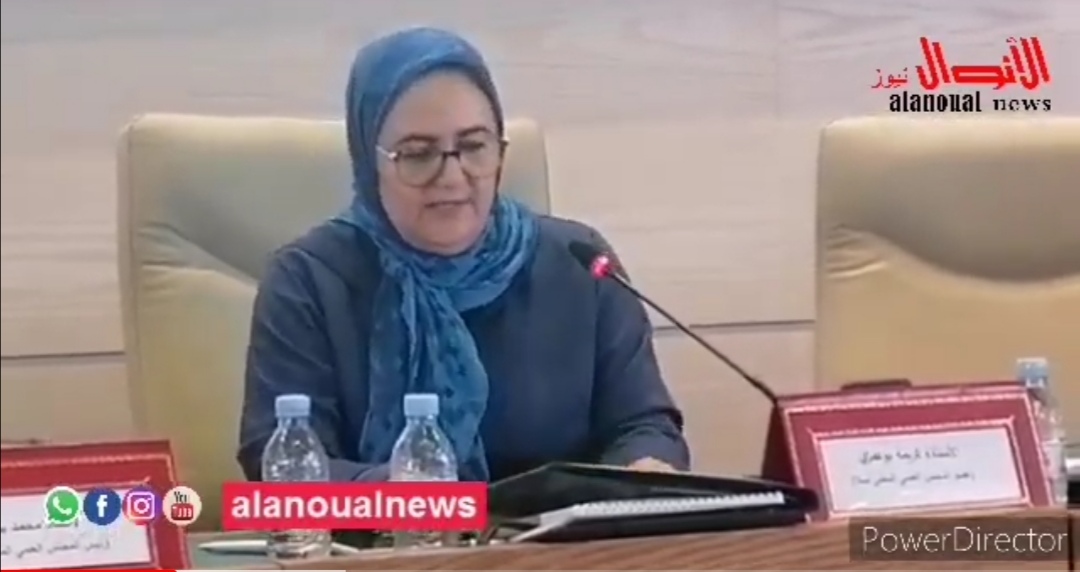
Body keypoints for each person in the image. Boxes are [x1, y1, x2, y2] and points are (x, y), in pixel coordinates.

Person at [238, 27, 690, 483]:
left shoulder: (580, 265)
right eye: (418, 154)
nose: (453, 176)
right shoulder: (308, 281)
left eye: (474, 147)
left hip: (558, 528)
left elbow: (644, 425)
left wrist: (645, 467)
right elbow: (279, 466)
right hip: (386, 528)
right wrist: (415, 495)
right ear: (369, 163)